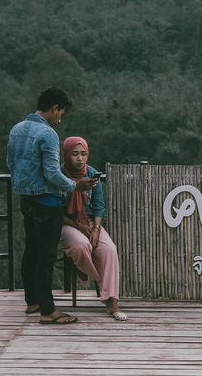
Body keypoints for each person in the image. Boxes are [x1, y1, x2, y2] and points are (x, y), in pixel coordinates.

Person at [6, 86, 95, 325]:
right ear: (54, 108)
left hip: (26, 200)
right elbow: (52, 173)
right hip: (47, 202)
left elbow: (10, 163)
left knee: (31, 251)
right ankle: (48, 310)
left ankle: (32, 301)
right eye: (60, 114)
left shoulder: (17, 130)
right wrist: (75, 186)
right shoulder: (48, 134)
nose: (59, 119)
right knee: (46, 256)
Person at [59, 135, 127, 320]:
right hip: (66, 223)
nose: (80, 159)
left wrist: (96, 228)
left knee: (109, 249)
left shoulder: (91, 174)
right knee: (82, 245)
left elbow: (98, 206)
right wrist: (78, 226)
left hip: (89, 222)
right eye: (74, 154)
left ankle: (112, 301)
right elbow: (55, 210)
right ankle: (86, 269)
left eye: (83, 154)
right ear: (66, 155)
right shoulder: (58, 176)